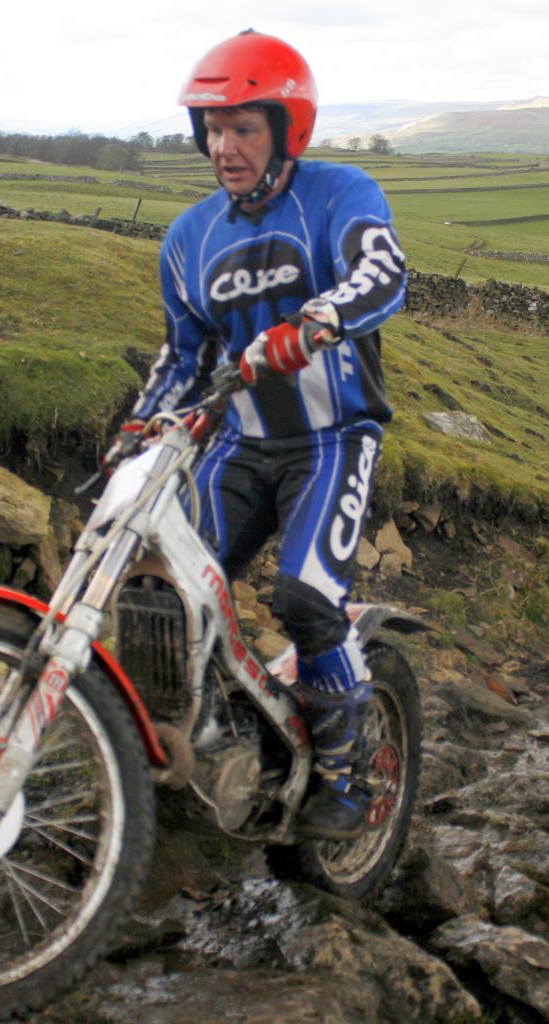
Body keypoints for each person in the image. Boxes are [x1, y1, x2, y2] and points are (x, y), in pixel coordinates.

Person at [126, 29, 407, 839]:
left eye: (243, 128)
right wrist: (137, 425)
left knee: (305, 599)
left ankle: (348, 774)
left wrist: (316, 320)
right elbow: (184, 355)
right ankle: (208, 737)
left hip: (332, 438)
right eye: (212, 129)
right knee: (168, 593)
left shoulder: (339, 193)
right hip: (236, 445)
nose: (224, 147)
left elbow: (383, 273)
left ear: (287, 129)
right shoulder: (188, 237)